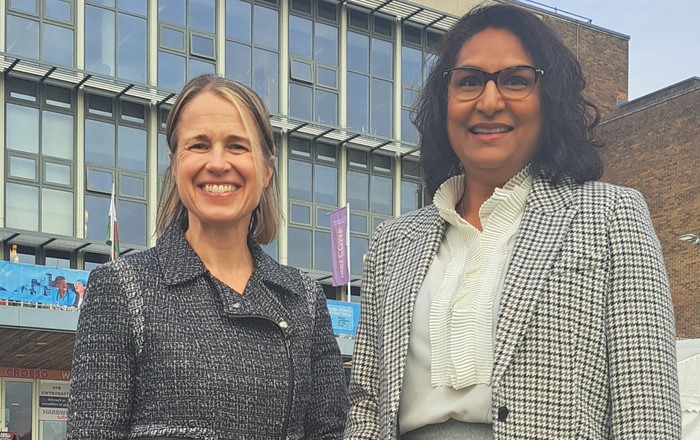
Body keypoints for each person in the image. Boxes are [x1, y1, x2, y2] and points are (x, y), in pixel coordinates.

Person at [344, 4, 680, 439]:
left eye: (515, 80)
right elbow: (367, 404)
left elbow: (647, 408)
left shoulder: (611, 216)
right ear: (444, 103)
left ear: (550, 100)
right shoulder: (394, 243)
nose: (489, 101)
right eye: (468, 81)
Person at [67, 74, 348, 439]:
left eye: (237, 146)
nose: (217, 163)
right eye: (198, 145)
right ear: (175, 163)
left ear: (266, 170)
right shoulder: (121, 288)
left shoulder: (305, 299)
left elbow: (330, 432)